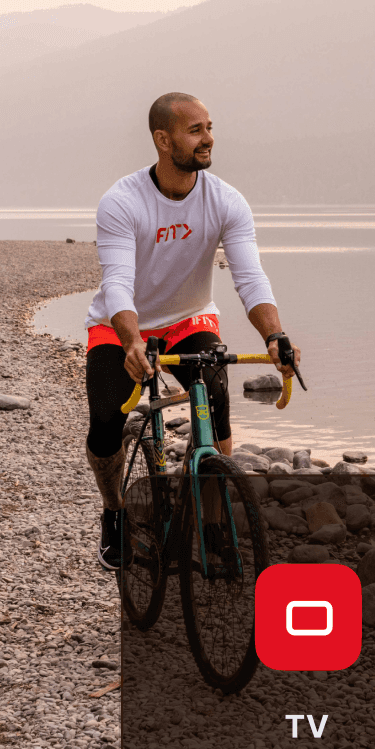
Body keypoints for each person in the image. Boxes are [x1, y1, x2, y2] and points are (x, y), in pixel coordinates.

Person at [83, 92, 301, 571]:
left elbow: (249, 277)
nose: (209, 138)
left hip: (190, 320)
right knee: (104, 424)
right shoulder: (122, 201)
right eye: (196, 130)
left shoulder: (225, 200)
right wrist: (132, 340)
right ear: (163, 140)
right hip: (121, 325)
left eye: (209, 127)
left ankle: (213, 518)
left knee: (216, 398)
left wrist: (274, 336)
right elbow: (117, 283)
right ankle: (114, 512)